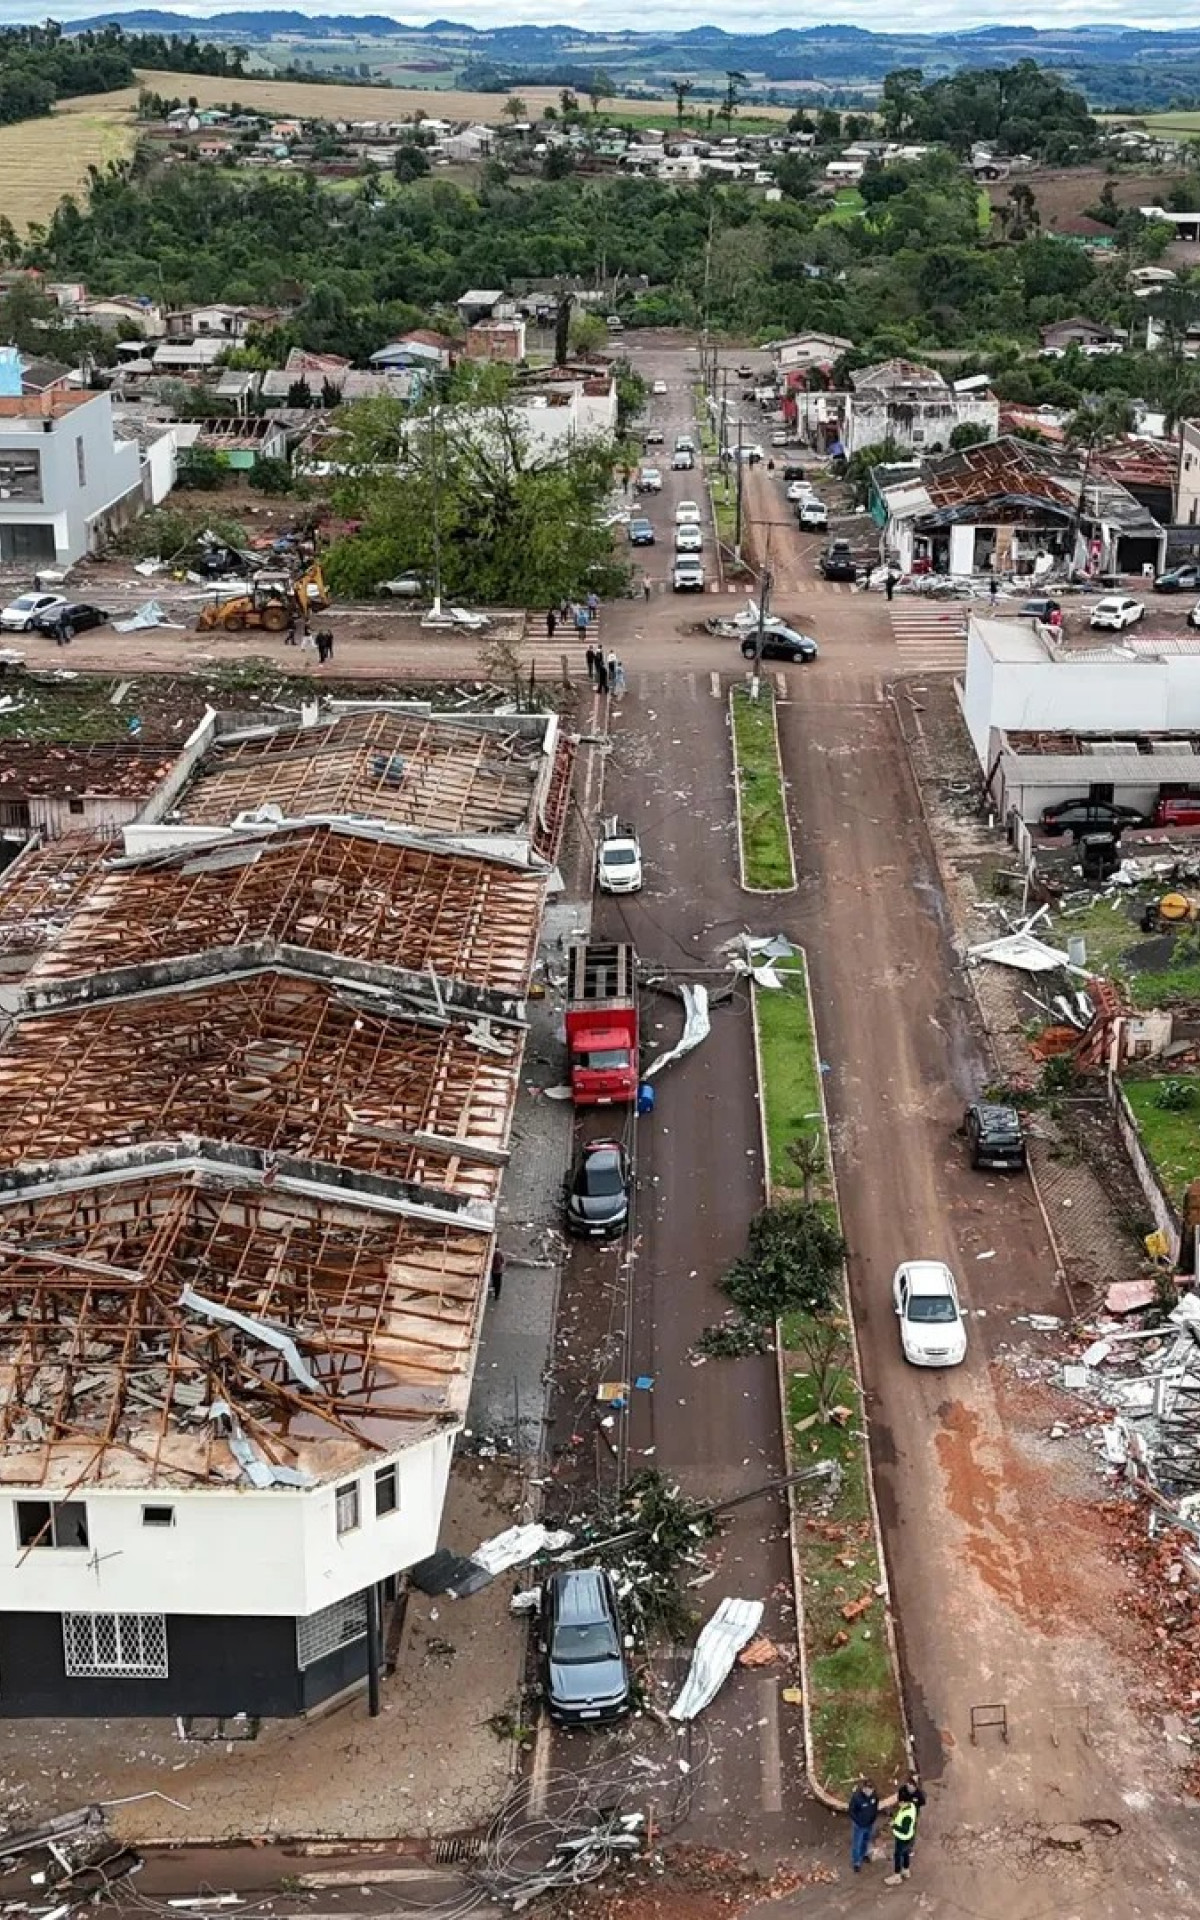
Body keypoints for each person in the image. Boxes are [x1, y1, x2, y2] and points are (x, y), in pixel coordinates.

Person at [884, 1780, 925, 1886]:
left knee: (898, 1855)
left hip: (903, 1837)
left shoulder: (907, 1814)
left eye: (901, 1802)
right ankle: (906, 1870)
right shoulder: (910, 1808)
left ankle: (897, 1876)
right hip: (908, 1837)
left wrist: (894, 1825)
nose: (899, 1804)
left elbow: (904, 1829)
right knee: (906, 1853)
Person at [847, 1779, 879, 1874]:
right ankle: (856, 1862)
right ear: (864, 1789)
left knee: (866, 1840)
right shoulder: (857, 1798)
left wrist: (873, 1818)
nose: (870, 1792)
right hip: (859, 1826)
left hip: (869, 1824)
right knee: (857, 1844)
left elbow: (875, 1807)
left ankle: (864, 1854)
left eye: (871, 1790)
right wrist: (858, 1821)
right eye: (868, 1789)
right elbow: (851, 1811)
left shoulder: (874, 1797)